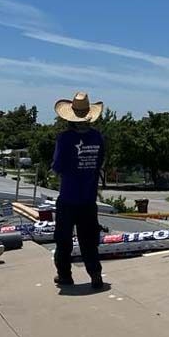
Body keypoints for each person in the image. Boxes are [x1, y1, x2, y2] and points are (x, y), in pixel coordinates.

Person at [52, 91, 106, 290]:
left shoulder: (64, 139)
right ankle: (96, 276)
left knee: (63, 240)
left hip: (68, 197)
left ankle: (65, 275)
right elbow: (100, 162)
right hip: (88, 198)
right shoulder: (97, 137)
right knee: (89, 240)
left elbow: (57, 166)